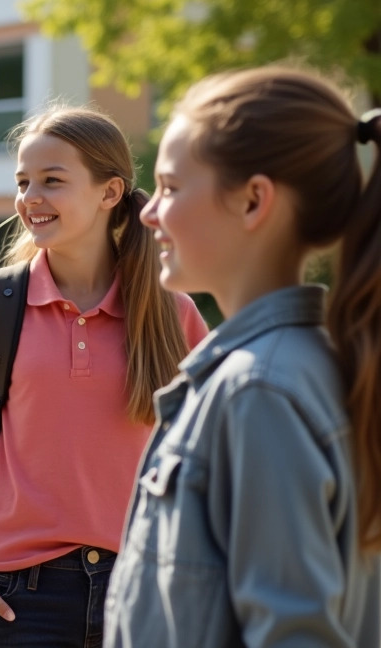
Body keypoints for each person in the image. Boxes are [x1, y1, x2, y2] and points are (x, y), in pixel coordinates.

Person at [104, 67, 381, 646]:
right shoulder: (297, 369)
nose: (149, 212)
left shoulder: (259, 391)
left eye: (172, 188)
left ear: (254, 200)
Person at [0, 106, 208, 647]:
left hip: (144, 585)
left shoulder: (173, 313)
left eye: (52, 181)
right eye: (23, 182)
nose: (30, 197)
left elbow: (208, 455)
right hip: (16, 594)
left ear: (110, 192)